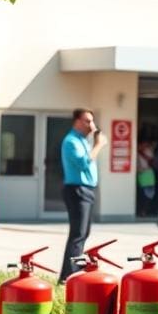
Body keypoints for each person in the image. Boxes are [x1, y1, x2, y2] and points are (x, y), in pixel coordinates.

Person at [59, 108, 107, 283]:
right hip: (77, 189)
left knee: (84, 232)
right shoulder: (71, 141)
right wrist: (98, 145)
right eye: (87, 121)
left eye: (92, 121)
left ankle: (73, 271)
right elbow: (84, 164)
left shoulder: (82, 141)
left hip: (86, 189)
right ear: (77, 122)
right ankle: (68, 276)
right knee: (78, 234)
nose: (91, 125)